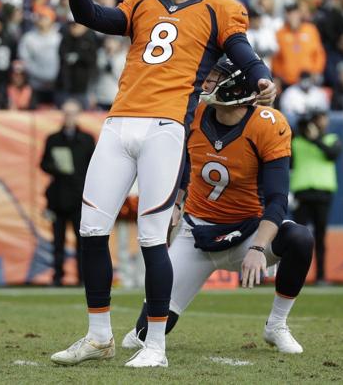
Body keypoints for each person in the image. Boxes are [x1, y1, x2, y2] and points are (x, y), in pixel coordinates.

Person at [51, 0, 276, 368]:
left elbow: (243, 52)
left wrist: (261, 78)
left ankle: (155, 345)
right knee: (92, 230)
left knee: (153, 239)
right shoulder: (142, 2)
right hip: (118, 124)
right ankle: (99, 336)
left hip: (165, 127)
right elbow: (92, 17)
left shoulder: (219, 9)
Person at [122, 58, 313, 355]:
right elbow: (181, 158)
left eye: (215, 77)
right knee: (144, 334)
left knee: (300, 238)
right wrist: (177, 199)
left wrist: (258, 248)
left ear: (236, 88)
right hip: (197, 233)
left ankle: (276, 324)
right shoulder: (194, 114)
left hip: (248, 232)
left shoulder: (267, 125)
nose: (207, 82)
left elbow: (278, 199)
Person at [40, 99, 95, 286]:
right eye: (66, 113)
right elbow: (43, 163)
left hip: (80, 197)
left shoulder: (87, 140)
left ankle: (82, 277)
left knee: (82, 240)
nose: (69, 117)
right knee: (58, 241)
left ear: (78, 115)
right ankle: (57, 276)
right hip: (58, 197)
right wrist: (58, 167)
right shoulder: (53, 139)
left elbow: (92, 167)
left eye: (72, 113)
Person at [290, 109, 341, 285]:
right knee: (296, 239)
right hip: (302, 193)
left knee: (320, 238)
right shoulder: (296, 142)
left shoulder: (331, 139)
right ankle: (295, 277)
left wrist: (315, 139)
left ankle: (320, 276)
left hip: (322, 194)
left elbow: (332, 154)